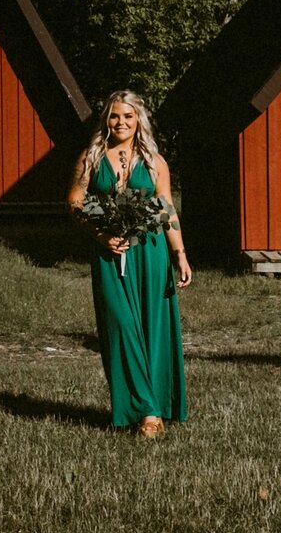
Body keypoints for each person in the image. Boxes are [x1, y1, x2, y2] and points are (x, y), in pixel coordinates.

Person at [67, 90, 190, 437]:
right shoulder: (92, 157)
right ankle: (141, 405)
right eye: (114, 116)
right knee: (120, 327)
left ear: (139, 121)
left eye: (128, 116)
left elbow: (165, 208)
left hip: (150, 251)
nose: (121, 123)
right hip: (109, 253)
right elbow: (76, 201)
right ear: (105, 120)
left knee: (152, 328)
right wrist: (100, 234)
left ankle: (151, 412)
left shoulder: (154, 160)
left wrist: (179, 253)